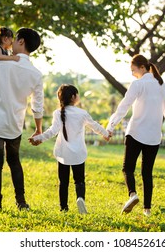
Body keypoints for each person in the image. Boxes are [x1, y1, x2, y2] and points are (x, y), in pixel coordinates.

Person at [0, 27, 43, 211]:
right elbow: (37, 107)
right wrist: (38, 129)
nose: (11, 42)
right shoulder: (36, 74)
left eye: (15, 39)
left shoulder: (0, 63)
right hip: (15, 125)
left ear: (21, 42)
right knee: (14, 162)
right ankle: (21, 202)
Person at [106, 54, 165, 217]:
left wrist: (110, 127)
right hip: (153, 136)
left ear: (142, 68)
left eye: (133, 70)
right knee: (147, 173)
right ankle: (147, 210)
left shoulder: (137, 84)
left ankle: (133, 195)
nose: (132, 73)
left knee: (127, 168)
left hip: (136, 132)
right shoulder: (161, 84)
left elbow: (123, 107)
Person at [29, 84, 111, 214]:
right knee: (79, 181)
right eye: (77, 94)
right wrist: (105, 134)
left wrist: (39, 138)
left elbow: (52, 131)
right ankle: (80, 198)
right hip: (78, 153)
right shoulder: (82, 113)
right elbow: (94, 126)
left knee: (63, 182)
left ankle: (64, 208)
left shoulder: (57, 113)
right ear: (73, 97)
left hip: (63, 153)